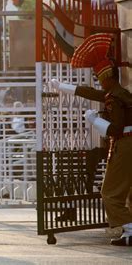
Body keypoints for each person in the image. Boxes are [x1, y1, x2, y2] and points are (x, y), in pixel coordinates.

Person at [51, 33, 132, 246]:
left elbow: (116, 129)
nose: (98, 82)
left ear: (105, 77)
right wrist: (63, 86)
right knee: (130, 190)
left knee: (110, 192)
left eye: (98, 78)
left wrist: (95, 120)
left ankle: (129, 230)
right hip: (128, 144)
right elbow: (92, 94)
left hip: (125, 145)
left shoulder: (113, 98)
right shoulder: (120, 92)